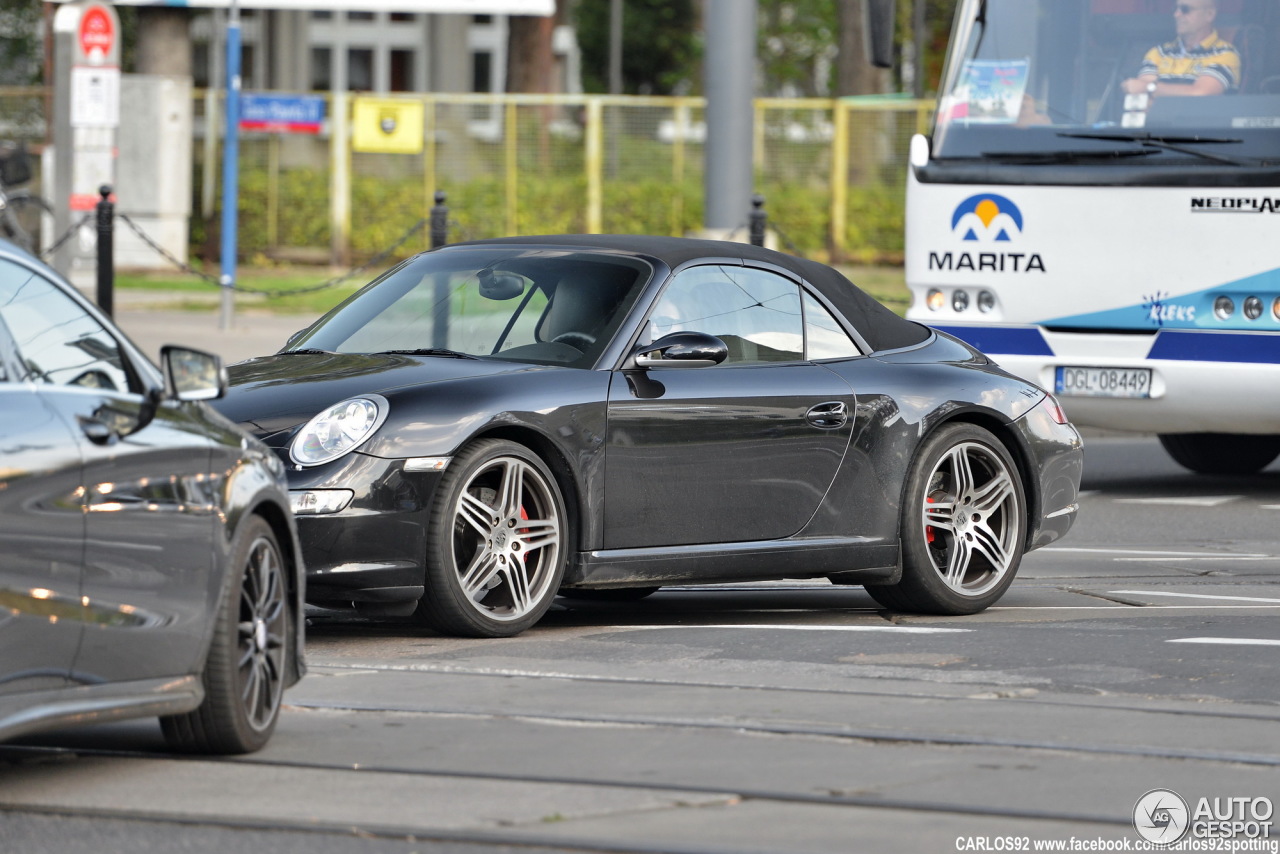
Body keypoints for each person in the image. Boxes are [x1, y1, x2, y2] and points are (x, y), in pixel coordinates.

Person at [1122, 0, 1241, 97]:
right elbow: (1141, 97)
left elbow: (1201, 94)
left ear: (1209, 14)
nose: (1177, 14)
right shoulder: (1158, 53)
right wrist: (1148, 89)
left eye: (1185, 9)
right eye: (1175, 9)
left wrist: (1150, 88)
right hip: (1156, 125)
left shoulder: (1225, 54)